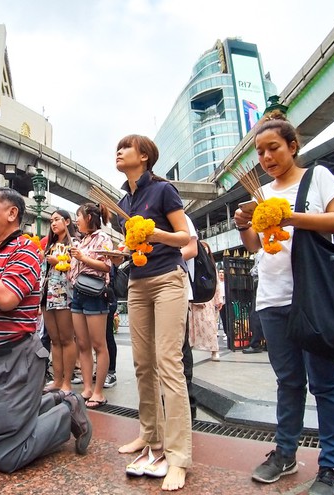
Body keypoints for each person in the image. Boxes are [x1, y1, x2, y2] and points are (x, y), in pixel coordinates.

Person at [234, 111, 334, 495]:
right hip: (271, 297)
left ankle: (331, 466)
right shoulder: (261, 194)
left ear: (292, 146)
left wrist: (291, 216)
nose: (266, 158)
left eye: (274, 149)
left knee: (325, 383)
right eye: (260, 152)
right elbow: (256, 246)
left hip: (313, 295)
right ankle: (285, 453)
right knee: (288, 382)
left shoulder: (317, 177)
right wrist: (243, 225)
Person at [0, 187, 92, 474]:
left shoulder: (26, 249)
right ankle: (45, 403)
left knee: (7, 456)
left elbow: (7, 298)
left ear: (12, 213)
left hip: (9, 363)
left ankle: (65, 411)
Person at [115, 134, 191, 492]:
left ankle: (177, 458)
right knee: (143, 365)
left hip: (168, 280)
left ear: (144, 156)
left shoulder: (163, 190)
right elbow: (133, 246)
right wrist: (120, 251)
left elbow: (185, 238)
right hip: (138, 281)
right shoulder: (123, 201)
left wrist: (153, 232)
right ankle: (149, 437)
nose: (119, 152)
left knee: (168, 364)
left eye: (125, 148)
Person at [69, 202, 113, 409]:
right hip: (78, 292)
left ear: (88, 217)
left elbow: (106, 266)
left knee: (98, 344)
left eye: (78, 216)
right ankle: (87, 388)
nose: (76, 220)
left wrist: (83, 258)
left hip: (95, 293)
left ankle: (98, 392)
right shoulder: (81, 240)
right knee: (82, 344)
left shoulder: (103, 238)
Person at [42, 209, 78, 394]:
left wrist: (58, 261)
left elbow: (78, 267)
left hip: (64, 294)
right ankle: (57, 380)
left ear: (67, 221)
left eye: (56, 219)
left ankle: (67, 382)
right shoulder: (50, 244)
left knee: (66, 339)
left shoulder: (74, 242)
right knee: (54, 340)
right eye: (51, 221)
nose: (53, 223)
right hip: (47, 294)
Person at [189, 241, 222, 361]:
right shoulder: (192, 263)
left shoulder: (211, 265)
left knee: (209, 325)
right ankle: (189, 349)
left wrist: (218, 299)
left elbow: (216, 283)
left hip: (207, 299)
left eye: (205, 248)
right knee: (191, 329)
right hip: (192, 301)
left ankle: (214, 350)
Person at [180, 216, 200, 419]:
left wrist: (162, 259)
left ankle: (188, 404)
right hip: (151, 290)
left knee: (179, 349)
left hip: (177, 290)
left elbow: (192, 249)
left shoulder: (180, 215)